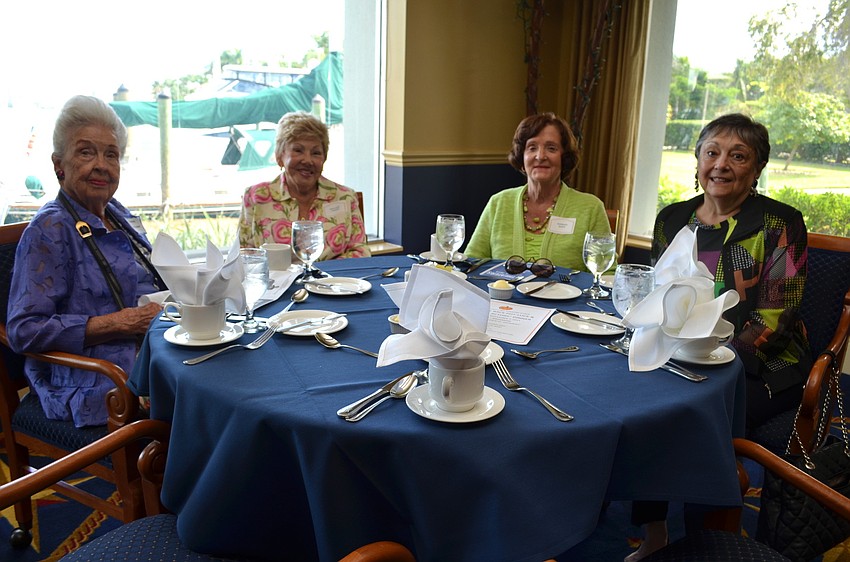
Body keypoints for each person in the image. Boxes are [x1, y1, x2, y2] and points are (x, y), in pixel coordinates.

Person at [627, 113, 810, 561]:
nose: (721, 164)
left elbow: (775, 316)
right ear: (698, 161)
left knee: (699, 414)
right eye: (712, 152)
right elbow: (659, 294)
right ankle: (653, 533)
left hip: (761, 363)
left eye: (738, 155)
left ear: (757, 168)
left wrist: (716, 359)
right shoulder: (673, 220)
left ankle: (704, 541)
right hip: (678, 351)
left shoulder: (779, 224)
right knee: (639, 400)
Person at [7, 95, 165, 428]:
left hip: (149, 354)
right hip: (98, 378)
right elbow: (24, 331)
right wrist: (120, 323)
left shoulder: (117, 213)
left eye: (111, 154)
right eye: (86, 152)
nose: (102, 165)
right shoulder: (48, 231)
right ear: (58, 165)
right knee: (208, 404)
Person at [464, 112, 610, 269]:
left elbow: (606, 274)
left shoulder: (591, 208)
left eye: (551, 148)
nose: (540, 156)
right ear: (522, 156)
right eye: (532, 147)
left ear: (564, 157)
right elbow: (471, 264)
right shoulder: (498, 203)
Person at [238, 111, 370, 260]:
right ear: (280, 156)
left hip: (332, 282)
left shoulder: (345, 197)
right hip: (275, 283)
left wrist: (324, 276)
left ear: (324, 159)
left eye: (316, 153)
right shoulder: (256, 197)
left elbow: (361, 253)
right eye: (298, 150)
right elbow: (243, 254)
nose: (307, 160)